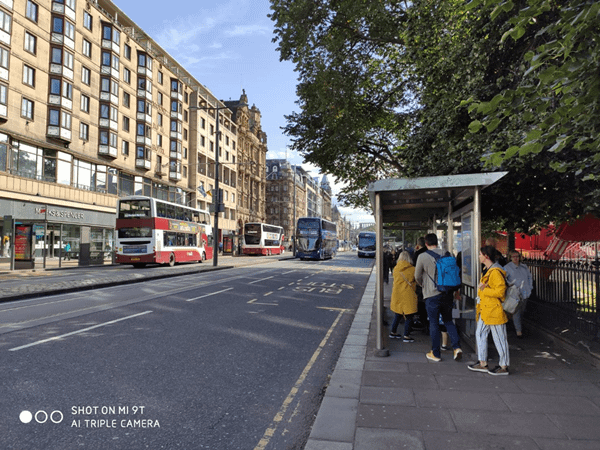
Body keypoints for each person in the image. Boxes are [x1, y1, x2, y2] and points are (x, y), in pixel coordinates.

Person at [415, 233, 462, 362]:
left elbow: (417, 276)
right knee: (448, 321)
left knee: (434, 323)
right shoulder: (447, 254)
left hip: (431, 295)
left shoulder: (422, 256)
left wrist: (423, 285)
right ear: (437, 242)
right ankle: (457, 347)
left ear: (426, 244)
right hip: (447, 294)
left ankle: (435, 353)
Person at [468, 245, 510, 375]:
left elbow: (500, 291)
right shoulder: (488, 270)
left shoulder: (495, 272)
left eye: (480, 254)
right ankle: (483, 363)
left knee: (499, 338)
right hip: (486, 310)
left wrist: (484, 289)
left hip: (493, 310)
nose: (479, 256)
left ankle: (503, 366)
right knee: (480, 334)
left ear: (486, 256)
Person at [503, 250, 533, 338]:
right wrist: (510, 284)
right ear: (510, 258)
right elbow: (504, 279)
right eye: (514, 257)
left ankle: (515, 324)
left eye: (517, 257)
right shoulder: (507, 267)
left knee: (522, 310)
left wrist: (530, 287)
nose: (516, 259)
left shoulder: (524, 267)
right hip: (514, 293)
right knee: (516, 311)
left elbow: (529, 277)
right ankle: (518, 331)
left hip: (525, 292)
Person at [389, 251, 418, 342]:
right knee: (409, 316)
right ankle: (406, 335)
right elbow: (416, 280)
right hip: (408, 294)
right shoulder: (413, 269)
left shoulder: (396, 269)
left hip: (397, 294)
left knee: (398, 314)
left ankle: (393, 332)